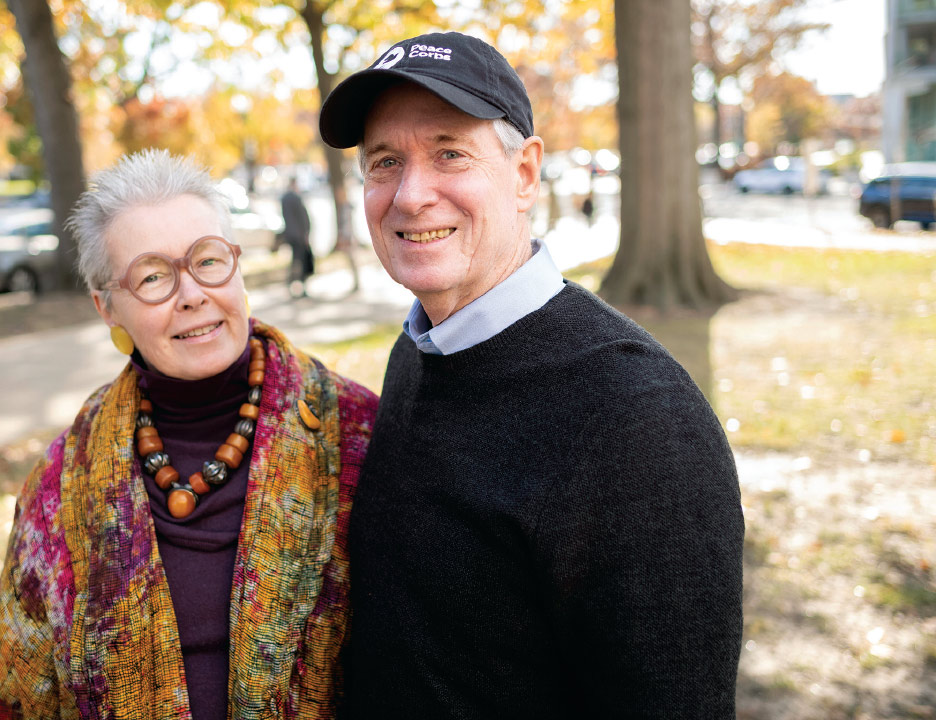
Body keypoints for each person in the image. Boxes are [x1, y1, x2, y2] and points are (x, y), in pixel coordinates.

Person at [318, 31, 744, 718]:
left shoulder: (637, 420)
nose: (410, 194)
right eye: (384, 161)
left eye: (449, 153)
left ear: (524, 175)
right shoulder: (420, 352)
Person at [0, 149, 378, 720]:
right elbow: (8, 695)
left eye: (208, 260)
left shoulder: (354, 432)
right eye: (153, 276)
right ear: (107, 307)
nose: (191, 293)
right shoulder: (66, 480)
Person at [275, 176, 314, 298]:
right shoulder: (296, 198)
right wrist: (306, 234)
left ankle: (290, 283)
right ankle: (299, 285)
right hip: (299, 236)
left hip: (290, 234)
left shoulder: (284, 198)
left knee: (295, 260)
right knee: (300, 261)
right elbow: (303, 218)